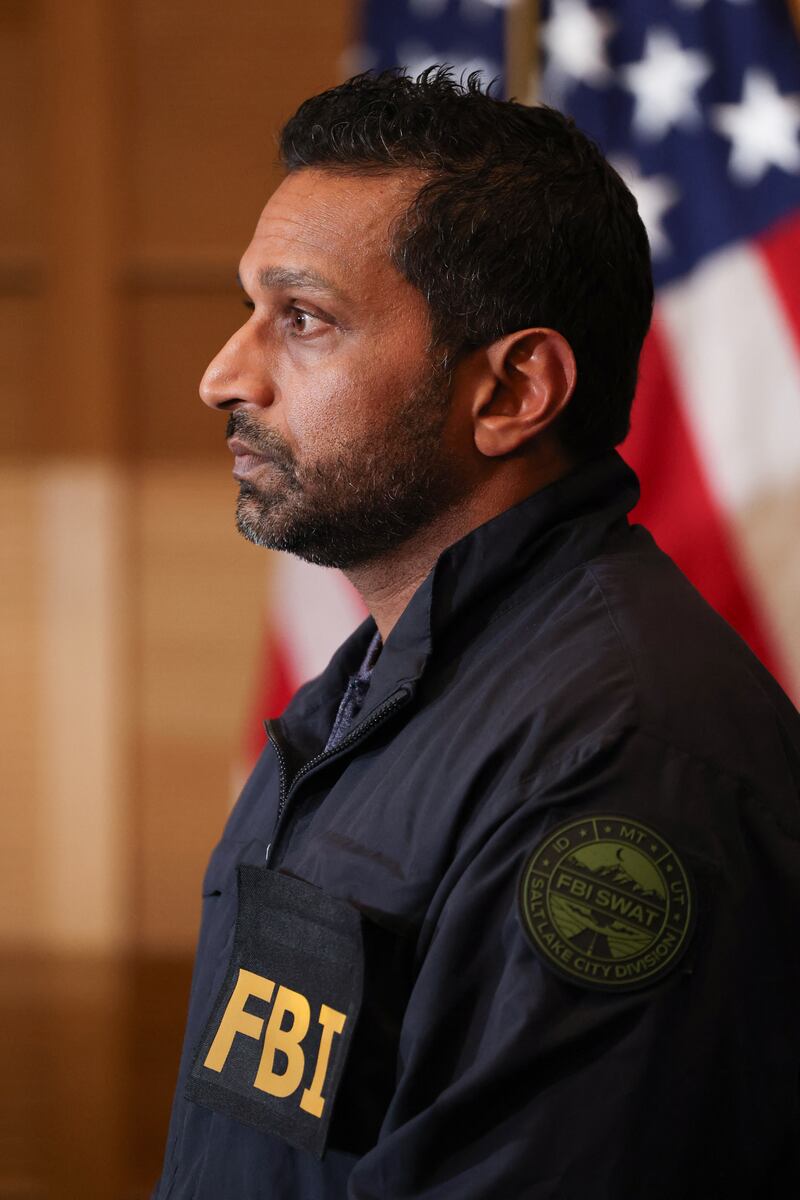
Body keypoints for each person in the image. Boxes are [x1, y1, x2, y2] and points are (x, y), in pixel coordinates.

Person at [154, 69, 800, 1199]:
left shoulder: (621, 762)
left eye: (301, 319)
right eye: (251, 309)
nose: (224, 374)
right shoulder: (385, 681)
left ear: (512, 391)